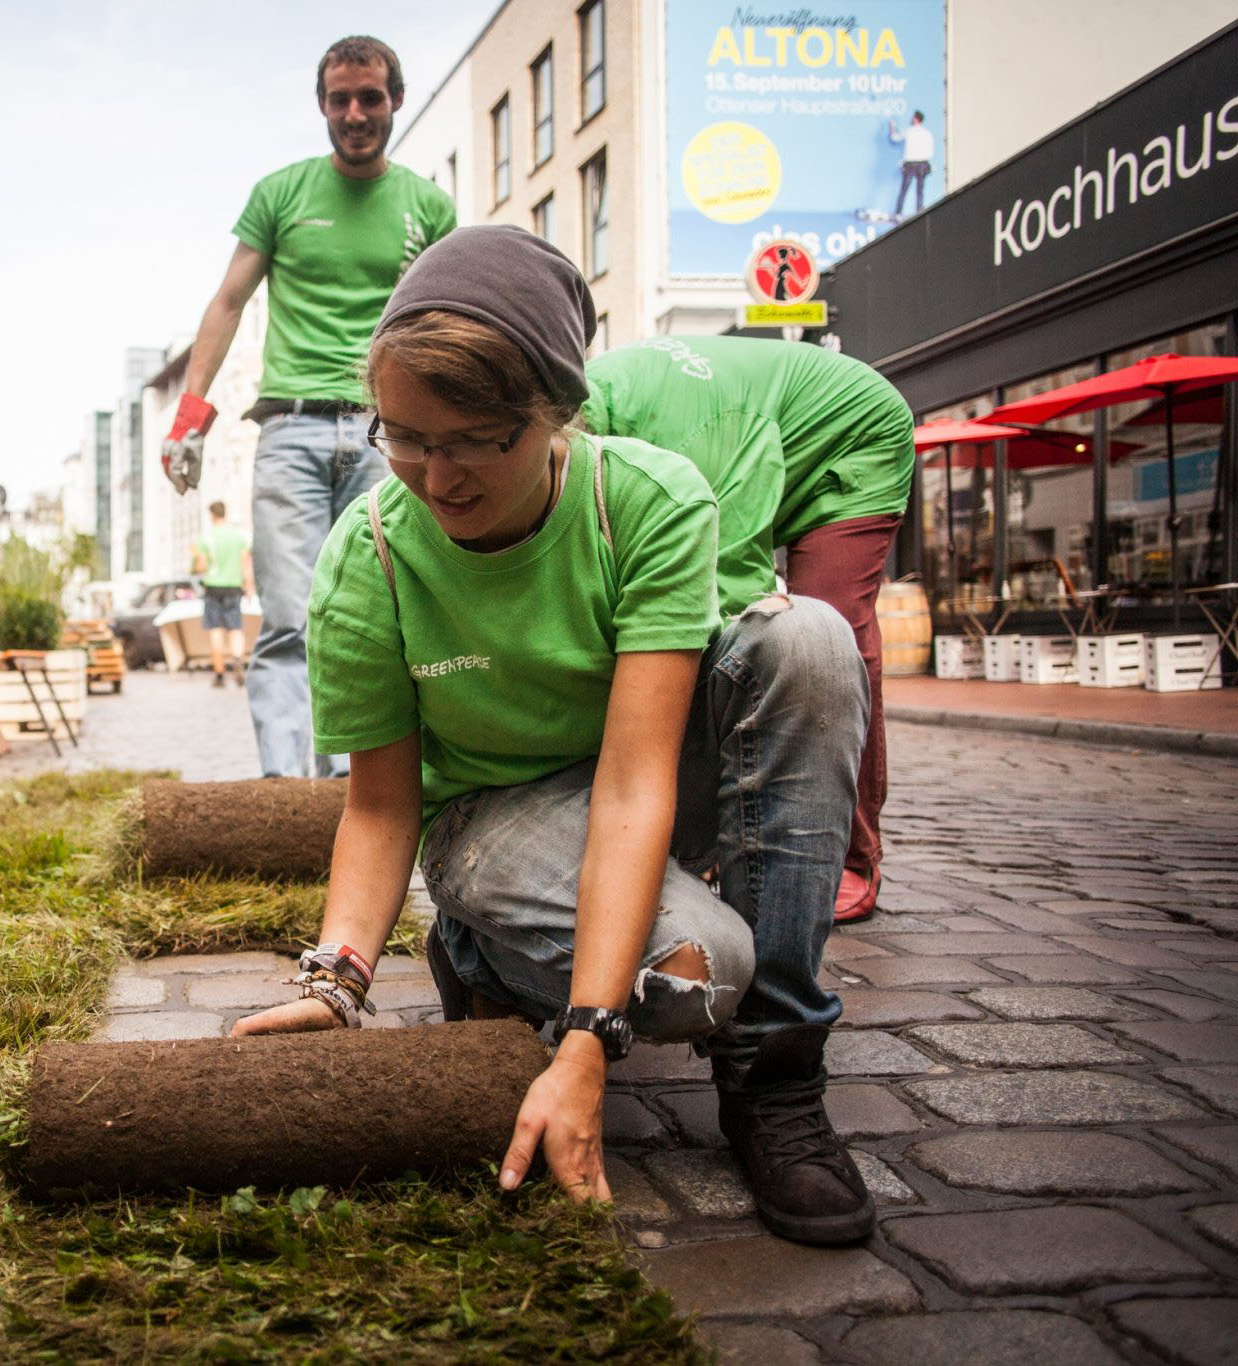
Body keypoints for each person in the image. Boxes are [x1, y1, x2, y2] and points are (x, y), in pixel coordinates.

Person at [233, 226, 876, 1248]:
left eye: (474, 438)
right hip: (489, 818)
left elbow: (631, 785)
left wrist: (581, 1040)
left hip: (632, 783)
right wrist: (334, 978)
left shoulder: (647, 502)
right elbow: (381, 803)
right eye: (401, 436)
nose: (433, 477)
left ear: (554, 413)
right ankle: (478, 947)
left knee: (807, 642)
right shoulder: (374, 555)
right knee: (696, 971)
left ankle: (777, 1078)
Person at [160, 35, 456, 776]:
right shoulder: (281, 193)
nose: (354, 114)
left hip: (388, 437)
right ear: (322, 104)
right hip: (288, 430)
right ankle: (288, 794)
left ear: (395, 100)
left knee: (373, 620)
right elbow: (228, 301)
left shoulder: (429, 206)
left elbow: (445, 320)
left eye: (370, 98)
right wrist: (189, 416)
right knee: (290, 619)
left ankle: (356, 796)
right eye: (339, 100)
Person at [580, 336, 914, 923]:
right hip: (764, 431)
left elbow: (725, 591)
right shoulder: (593, 414)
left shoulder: (696, 444)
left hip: (851, 436)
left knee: (826, 641)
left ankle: (855, 857)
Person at [191, 501, 254, 687]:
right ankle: (237, 659)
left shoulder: (206, 537)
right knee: (235, 629)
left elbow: (201, 566)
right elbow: (246, 564)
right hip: (234, 587)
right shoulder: (239, 536)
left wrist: (195, 567)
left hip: (212, 587)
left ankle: (219, 674)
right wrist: (249, 586)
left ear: (211, 515)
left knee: (215, 630)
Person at [890, 111, 933, 218]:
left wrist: (892, 127)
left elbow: (895, 137)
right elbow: (931, 150)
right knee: (920, 191)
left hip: (910, 164)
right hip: (923, 164)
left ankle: (898, 213)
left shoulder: (909, 131)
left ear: (915, 119)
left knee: (904, 189)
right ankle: (919, 213)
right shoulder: (927, 133)